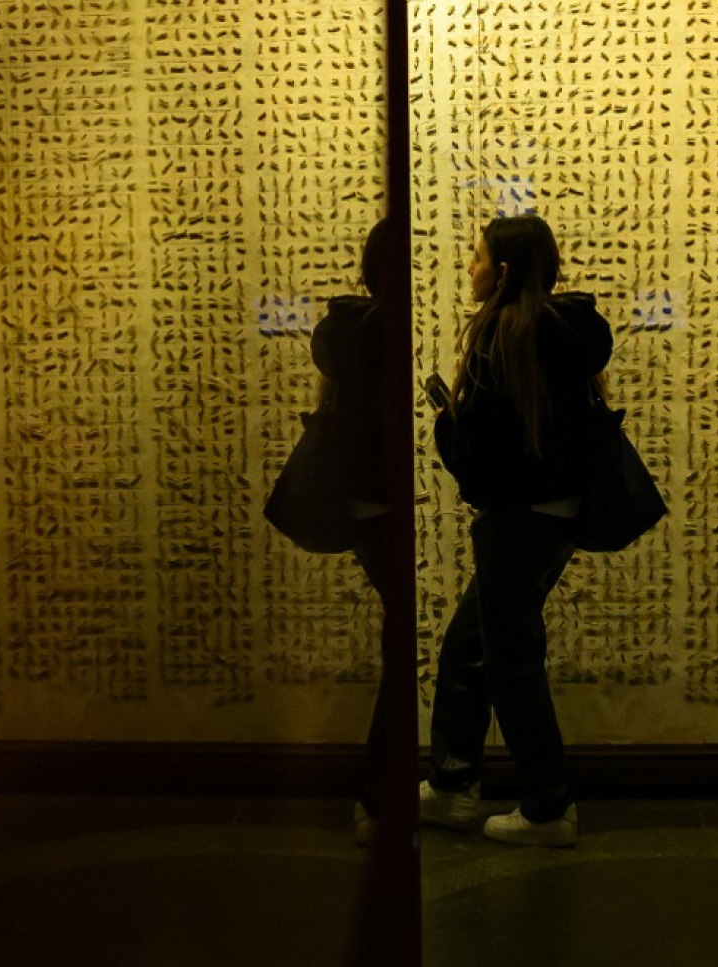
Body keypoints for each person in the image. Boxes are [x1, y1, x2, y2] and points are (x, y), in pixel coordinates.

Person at [421, 214, 613, 847]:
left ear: (501, 272)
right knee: (470, 648)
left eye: (477, 258)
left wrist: (447, 420)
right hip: (557, 518)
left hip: (514, 522)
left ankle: (548, 806)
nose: (469, 268)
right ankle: (452, 783)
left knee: (511, 664)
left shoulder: (502, 334)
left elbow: (479, 458)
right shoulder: (569, 332)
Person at [307, 218, 408, 846]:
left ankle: (383, 794)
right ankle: (378, 796)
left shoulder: (349, 331)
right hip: (383, 505)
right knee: (402, 654)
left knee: (403, 647)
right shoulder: (380, 331)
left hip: (366, 505)